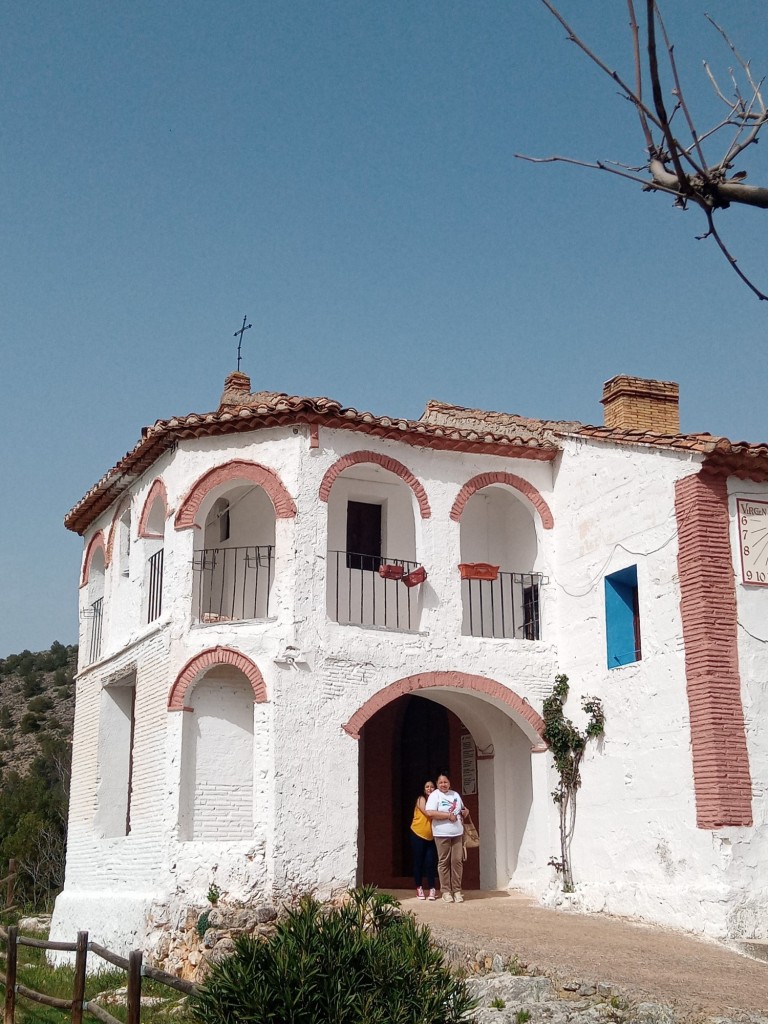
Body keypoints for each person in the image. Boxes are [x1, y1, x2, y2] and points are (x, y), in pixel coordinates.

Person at [425, 772, 469, 903]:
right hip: (441, 833)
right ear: (437, 784)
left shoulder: (455, 794)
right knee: (444, 862)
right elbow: (430, 812)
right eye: (441, 782)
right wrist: (447, 816)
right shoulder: (434, 795)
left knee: (457, 861)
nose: (443, 785)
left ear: (449, 783)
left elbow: (461, 808)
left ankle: (457, 890)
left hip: (457, 833)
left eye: (445, 782)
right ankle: (445, 891)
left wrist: (465, 811)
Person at [409, 780, 437, 900]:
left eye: (432, 786)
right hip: (417, 834)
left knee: (430, 862)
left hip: (431, 836)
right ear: (424, 789)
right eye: (427, 786)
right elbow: (428, 813)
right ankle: (419, 888)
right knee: (418, 862)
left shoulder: (436, 801)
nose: (429, 788)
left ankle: (432, 889)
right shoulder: (421, 799)